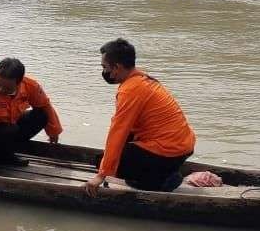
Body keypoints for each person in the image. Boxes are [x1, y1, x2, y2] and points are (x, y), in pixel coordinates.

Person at [84, 38, 195, 196]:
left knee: (102, 162)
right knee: (109, 158)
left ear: (117, 67)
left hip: (168, 149)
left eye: (105, 67)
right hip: (183, 146)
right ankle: (164, 172)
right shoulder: (142, 79)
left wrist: (102, 175)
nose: (104, 72)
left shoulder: (130, 90)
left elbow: (118, 132)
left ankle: (164, 180)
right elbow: (128, 131)